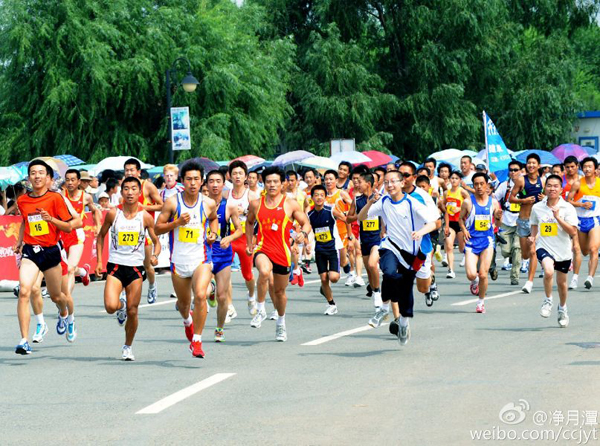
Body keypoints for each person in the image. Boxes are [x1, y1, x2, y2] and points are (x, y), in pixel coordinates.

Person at [357, 170, 437, 345]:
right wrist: (370, 202)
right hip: (390, 247)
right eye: (386, 182)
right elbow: (361, 218)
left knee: (409, 290)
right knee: (389, 274)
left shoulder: (412, 203)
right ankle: (383, 309)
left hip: (411, 254)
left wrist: (421, 232)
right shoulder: (383, 201)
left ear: (402, 184)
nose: (390, 185)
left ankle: (403, 323)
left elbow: (433, 222)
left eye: (393, 181)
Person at [14, 160, 81, 354]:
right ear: (29, 177)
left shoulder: (55, 199)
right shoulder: (23, 200)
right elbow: (25, 222)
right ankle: (24, 340)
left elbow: (69, 226)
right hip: (30, 251)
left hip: (51, 251)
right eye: (33, 173)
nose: (37, 176)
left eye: (41, 173)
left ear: (48, 177)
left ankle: (65, 314)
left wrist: (50, 219)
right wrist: (20, 241)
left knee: (57, 296)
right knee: (25, 290)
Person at [155, 161, 218, 357]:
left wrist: (213, 234)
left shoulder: (208, 203)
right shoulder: (173, 202)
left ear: (202, 182)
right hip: (178, 262)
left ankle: (197, 341)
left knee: (200, 295)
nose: (192, 183)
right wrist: (177, 222)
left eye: (196, 179)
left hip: (201, 259)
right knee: (183, 305)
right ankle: (187, 322)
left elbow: (214, 219)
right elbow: (157, 228)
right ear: (183, 181)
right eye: (189, 179)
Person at [96, 176, 160, 361]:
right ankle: (120, 305)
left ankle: (127, 346)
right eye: (126, 189)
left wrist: (154, 256)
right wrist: (99, 262)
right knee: (110, 306)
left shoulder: (145, 217)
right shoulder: (113, 214)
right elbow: (100, 237)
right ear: (121, 191)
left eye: (134, 189)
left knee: (134, 310)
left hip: (135, 269)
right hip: (115, 265)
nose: (130, 192)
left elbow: (156, 242)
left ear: (140, 193)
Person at [245, 166, 311, 341]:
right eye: (268, 182)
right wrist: (250, 241)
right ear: (263, 183)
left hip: (282, 251)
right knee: (264, 272)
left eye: (275, 182)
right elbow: (249, 223)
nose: (272, 185)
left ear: (282, 183)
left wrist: (302, 235)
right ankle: (260, 310)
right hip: (262, 248)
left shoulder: (290, 204)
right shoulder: (256, 204)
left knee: (280, 292)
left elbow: (306, 223)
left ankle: (281, 322)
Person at [530, 174, 578, 327]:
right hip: (544, 246)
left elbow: (573, 231)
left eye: (555, 186)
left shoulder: (568, 208)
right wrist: (533, 237)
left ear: (561, 189)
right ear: (545, 188)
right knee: (548, 271)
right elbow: (534, 224)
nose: (552, 188)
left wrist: (558, 218)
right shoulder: (537, 207)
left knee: (562, 283)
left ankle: (562, 308)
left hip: (562, 250)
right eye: (549, 185)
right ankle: (548, 300)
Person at [205, 169, 243, 339]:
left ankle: (219, 328)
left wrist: (229, 237)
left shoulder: (229, 206)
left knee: (222, 297)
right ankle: (210, 288)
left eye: (218, 181)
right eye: (211, 181)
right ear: (206, 184)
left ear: (223, 184)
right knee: (203, 292)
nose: (214, 184)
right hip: (205, 254)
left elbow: (240, 230)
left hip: (224, 255)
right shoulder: (201, 204)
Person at [459, 173, 503, 313]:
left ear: (487, 185)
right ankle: (474, 281)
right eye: (476, 184)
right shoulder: (468, 202)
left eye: (481, 184)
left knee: (483, 274)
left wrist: (498, 218)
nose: (479, 187)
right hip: (471, 241)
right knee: (472, 274)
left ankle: (480, 302)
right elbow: (460, 219)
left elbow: (497, 223)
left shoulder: (494, 202)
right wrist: (464, 230)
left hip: (487, 240)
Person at [124, 158, 164, 303]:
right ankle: (123, 295)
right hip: (128, 232)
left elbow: (161, 206)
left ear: (138, 172)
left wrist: (144, 207)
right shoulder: (123, 187)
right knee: (125, 265)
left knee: (147, 266)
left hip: (145, 232)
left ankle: (152, 285)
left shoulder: (148, 186)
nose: (129, 173)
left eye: (132, 170)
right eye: (127, 170)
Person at [61, 169, 101, 294]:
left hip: (77, 235)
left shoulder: (86, 197)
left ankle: (66, 300)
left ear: (79, 181)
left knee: (70, 269)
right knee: (65, 267)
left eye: (73, 180)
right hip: (62, 235)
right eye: (67, 180)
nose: (70, 183)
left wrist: (98, 226)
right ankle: (83, 272)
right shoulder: (61, 195)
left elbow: (95, 211)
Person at [227, 160, 259, 315]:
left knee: (247, 274)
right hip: (230, 237)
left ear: (246, 176)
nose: (237, 176)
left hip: (245, 239)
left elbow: (259, 219)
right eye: (234, 173)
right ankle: (229, 306)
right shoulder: (226, 195)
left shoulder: (252, 195)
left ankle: (252, 296)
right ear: (230, 176)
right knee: (224, 273)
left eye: (240, 173)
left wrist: (244, 213)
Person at [509, 153, 545, 293]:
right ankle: (538, 262)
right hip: (523, 221)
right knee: (525, 254)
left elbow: (553, 197)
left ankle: (529, 282)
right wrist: (523, 201)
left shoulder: (543, 181)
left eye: (534, 163)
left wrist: (545, 197)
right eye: (529, 163)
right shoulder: (520, 181)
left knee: (532, 250)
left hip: (538, 222)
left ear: (539, 165)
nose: (531, 165)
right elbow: (511, 198)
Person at [348, 171, 382, 308]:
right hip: (365, 239)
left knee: (373, 265)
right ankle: (374, 289)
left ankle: (378, 293)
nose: (357, 184)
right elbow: (348, 219)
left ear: (368, 184)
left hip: (378, 239)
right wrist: (360, 215)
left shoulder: (380, 199)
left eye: (359, 182)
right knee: (369, 269)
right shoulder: (357, 200)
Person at [307, 185, 343, 314]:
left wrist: (349, 237)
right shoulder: (309, 214)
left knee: (333, 278)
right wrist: (307, 244)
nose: (319, 197)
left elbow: (346, 220)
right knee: (323, 278)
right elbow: (307, 230)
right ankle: (331, 304)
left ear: (325, 197)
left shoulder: (331, 210)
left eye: (322, 195)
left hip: (332, 249)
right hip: (319, 249)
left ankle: (325, 287)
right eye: (316, 195)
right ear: (312, 198)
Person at [567, 156, 600, 289]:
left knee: (593, 249)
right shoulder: (578, 184)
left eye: (589, 166)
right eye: (585, 167)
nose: (587, 169)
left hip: (595, 220)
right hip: (580, 221)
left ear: (595, 169)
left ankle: (590, 278)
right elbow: (568, 200)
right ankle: (575, 277)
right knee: (581, 251)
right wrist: (580, 204)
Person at [494, 160, 523, 285]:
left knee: (517, 247)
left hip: (521, 221)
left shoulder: (524, 184)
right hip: (506, 220)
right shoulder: (504, 185)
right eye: (511, 170)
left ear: (521, 171)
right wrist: (496, 211)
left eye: (516, 170)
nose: (513, 172)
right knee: (506, 251)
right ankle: (511, 256)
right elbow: (494, 198)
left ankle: (515, 277)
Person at [323, 170, 354, 282]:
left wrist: (347, 213)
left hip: (342, 230)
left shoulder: (341, 193)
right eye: (326, 179)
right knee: (327, 256)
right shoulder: (322, 195)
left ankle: (346, 264)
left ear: (336, 180)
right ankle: (327, 281)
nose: (328, 181)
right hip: (328, 232)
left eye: (331, 179)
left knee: (342, 261)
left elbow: (353, 205)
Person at [442, 171, 468, 279]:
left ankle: (467, 256)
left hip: (461, 223)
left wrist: (460, 208)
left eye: (456, 178)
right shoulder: (446, 193)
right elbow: (444, 206)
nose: (453, 180)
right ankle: (451, 270)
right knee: (449, 246)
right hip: (450, 223)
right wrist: (446, 225)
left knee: (462, 248)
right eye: (452, 178)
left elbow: (469, 205)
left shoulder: (462, 192)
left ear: (460, 180)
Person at [562, 156, 583, 289]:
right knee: (563, 247)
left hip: (578, 216)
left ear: (577, 166)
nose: (570, 169)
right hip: (561, 216)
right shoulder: (560, 180)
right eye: (567, 167)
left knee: (576, 248)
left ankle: (575, 277)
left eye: (572, 166)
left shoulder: (582, 181)